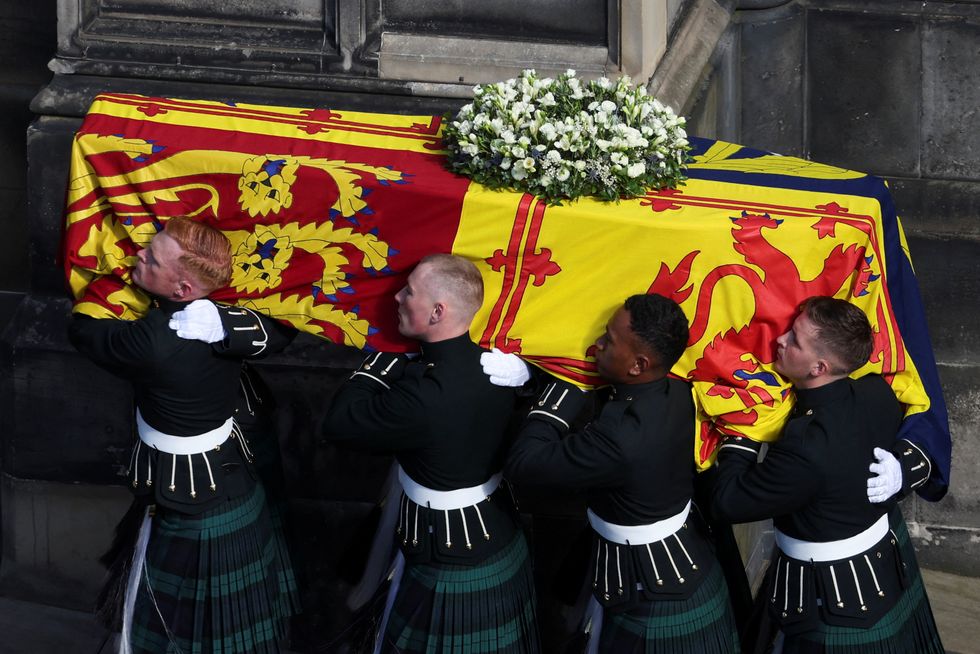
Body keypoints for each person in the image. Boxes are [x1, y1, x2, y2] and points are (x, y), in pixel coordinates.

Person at [69, 217, 298, 653]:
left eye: (151, 258)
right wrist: (228, 320)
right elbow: (283, 328)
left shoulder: (147, 343)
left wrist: (112, 281)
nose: (138, 255)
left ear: (182, 291)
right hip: (234, 478)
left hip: (184, 494)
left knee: (181, 625)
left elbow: (83, 329)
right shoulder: (236, 325)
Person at [322, 253, 540, 653]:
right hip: (497, 531)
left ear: (438, 312)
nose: (397, 298)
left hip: (447, 555)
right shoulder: (501, 367)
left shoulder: (419, 396)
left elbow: (339, 422)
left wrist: (381, 358)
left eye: (410, 292)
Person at [505, 294, 741, 653]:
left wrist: (563, 389)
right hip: (676, 562)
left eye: (609, 340)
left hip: (656, 595)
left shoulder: (619, 439)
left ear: (638, 365)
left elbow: (522, 463)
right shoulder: (678, 387)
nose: (597, 344)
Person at [711, 296, 943, 654]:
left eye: (795, 339)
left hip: (827, 597)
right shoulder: (877, 393)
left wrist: (742, 433)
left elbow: (727, 502)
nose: (780, 339)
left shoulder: (805, 446)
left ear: (819, 367)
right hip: (884, 567)